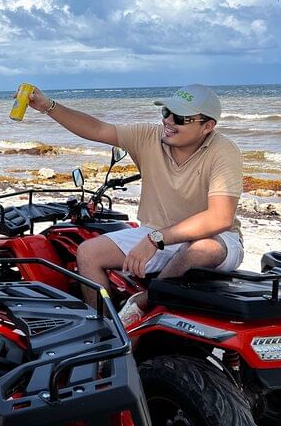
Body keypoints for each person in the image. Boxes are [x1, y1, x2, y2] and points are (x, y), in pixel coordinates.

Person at [26, 84, 243, 326]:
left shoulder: (223, 151)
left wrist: (155, 240)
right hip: (155, 231)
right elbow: (97, 129)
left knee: (202, 249)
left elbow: (219, 218)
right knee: (88, 253)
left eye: (181, 118)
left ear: (207, 126)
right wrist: (48, 107)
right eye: (166, 112)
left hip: (216, 237)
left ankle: (142, 303)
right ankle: (106, 331)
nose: (169, 121)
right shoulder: (148, 137)